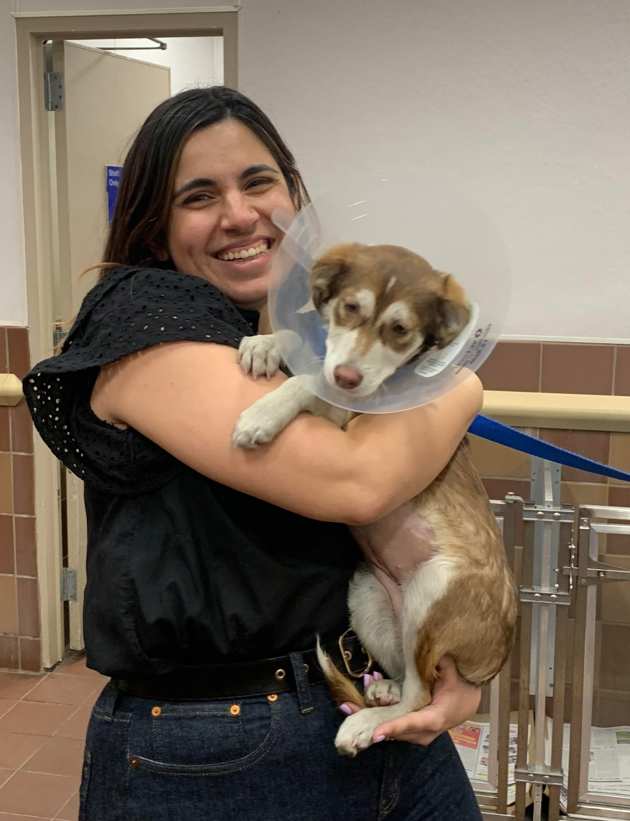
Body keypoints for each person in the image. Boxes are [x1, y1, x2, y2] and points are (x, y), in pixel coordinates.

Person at [24, 86, 485, 821]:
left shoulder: (282, 326)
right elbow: (356, 480)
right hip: (219, 751)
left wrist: (439, 664)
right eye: (198, 195)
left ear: (295, 193)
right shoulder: (144, 320)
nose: (239, 215)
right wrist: (465, 382)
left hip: (362, 702)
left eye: (259, 182)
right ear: (153, 220)